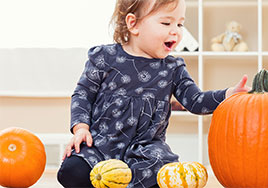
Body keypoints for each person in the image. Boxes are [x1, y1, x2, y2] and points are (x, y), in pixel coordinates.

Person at [57, 0, 250, 187]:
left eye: (180, 23)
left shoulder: (173, 68)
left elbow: (195, 101)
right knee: (72, 171)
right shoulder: (103, 57)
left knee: (163, 174)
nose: (176, 30)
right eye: (166, 22)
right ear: (133, 24)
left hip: (146, 149)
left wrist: (228, 94)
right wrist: (81, 128)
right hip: (102, 143)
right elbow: (83, 94)